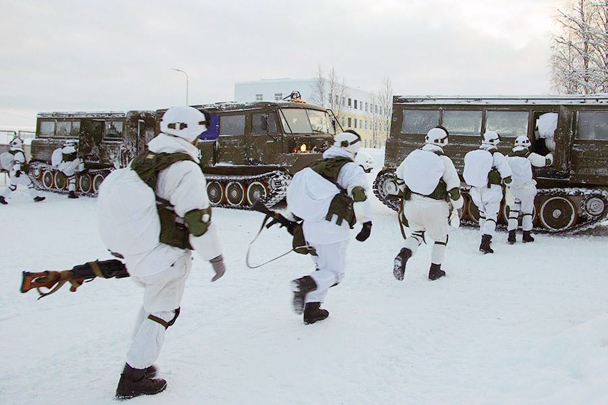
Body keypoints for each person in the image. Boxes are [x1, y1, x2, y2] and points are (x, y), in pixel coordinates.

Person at [99, 106, 226, 399]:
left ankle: (141, 360)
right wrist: (215, 257)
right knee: (163, 311)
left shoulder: (145, 158)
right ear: (193, 131)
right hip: (165, 255)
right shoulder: (185, 168)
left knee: (152, 307)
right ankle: (134, 376)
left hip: (139, 251)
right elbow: (197, 220)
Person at [288, 130, 372, 325]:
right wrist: (366, 222)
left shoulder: (314, 167)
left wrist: (291, 220)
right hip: (333, 228)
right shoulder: (351, 169)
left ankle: (312, 310)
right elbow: (358, 193)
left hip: (310, 228)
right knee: (335, 274)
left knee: (322, 268)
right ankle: (305, 283)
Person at [393, 126, 463, 281]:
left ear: (426, 139)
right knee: (441, 238)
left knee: (416, 234)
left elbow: (398, 177)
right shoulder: (444, 161)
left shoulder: (412, 155)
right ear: (445, 141)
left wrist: (409, 192)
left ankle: (403, 255)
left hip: (411, 205)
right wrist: (459, 207)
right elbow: (454, 190)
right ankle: (434, 271)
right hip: (435, 207)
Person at [463, 131, 512, 254]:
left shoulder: (474, 154)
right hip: (491, 191)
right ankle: (485, 242)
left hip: (476, 191)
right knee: (491, 216)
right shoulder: (497, 156)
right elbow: (507, 175)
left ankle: (483, 235)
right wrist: (509, 184)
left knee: (482, 214)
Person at [505, 135, 553, 243]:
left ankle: (511, 236)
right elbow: (546, 162)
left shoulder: (507, 157)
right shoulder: (529, 155)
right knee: (527, 212)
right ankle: (526, 236)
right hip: (526, 189)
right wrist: (551, 154)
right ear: (527, 144)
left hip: (512, 189)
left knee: (513, 212)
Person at [0, 136, 45, 205]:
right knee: (30, 184)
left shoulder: (12, 151)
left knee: (12, 186)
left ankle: (2, 196)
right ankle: (35, 197)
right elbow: (18, 163)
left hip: (12, 172)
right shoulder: (19, 153)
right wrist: (17, 171)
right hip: (19, 173)